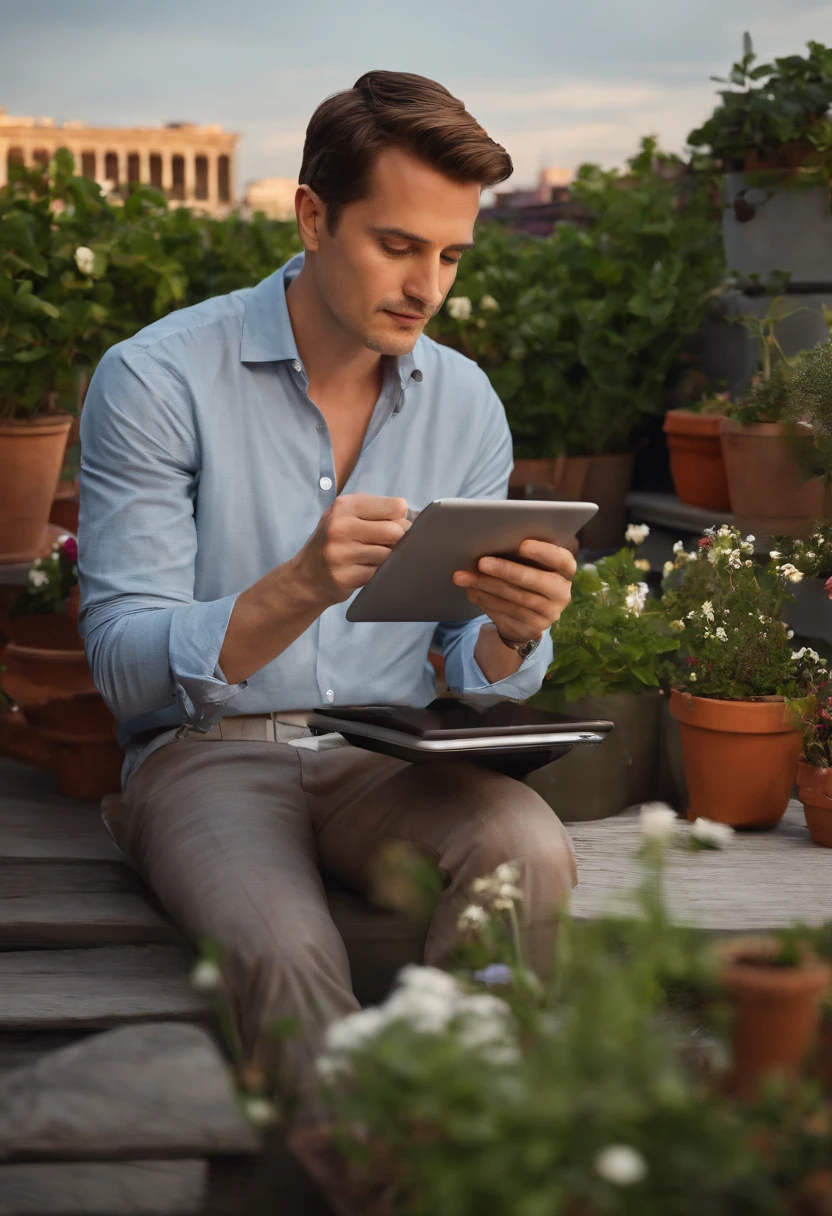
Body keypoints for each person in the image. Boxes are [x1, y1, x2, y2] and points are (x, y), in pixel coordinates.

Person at [79, 70, 578, 1108]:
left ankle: (470, 1143)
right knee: (287, 948)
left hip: (386, 757)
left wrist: (502, 637)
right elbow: (125, 668)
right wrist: (300, 582)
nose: (426, 285)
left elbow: (457, 661)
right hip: (207, 759)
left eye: (448, 254)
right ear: (312, 216)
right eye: (397, 245)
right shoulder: (157, 379)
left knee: (527, 844)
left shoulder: (466, 403)